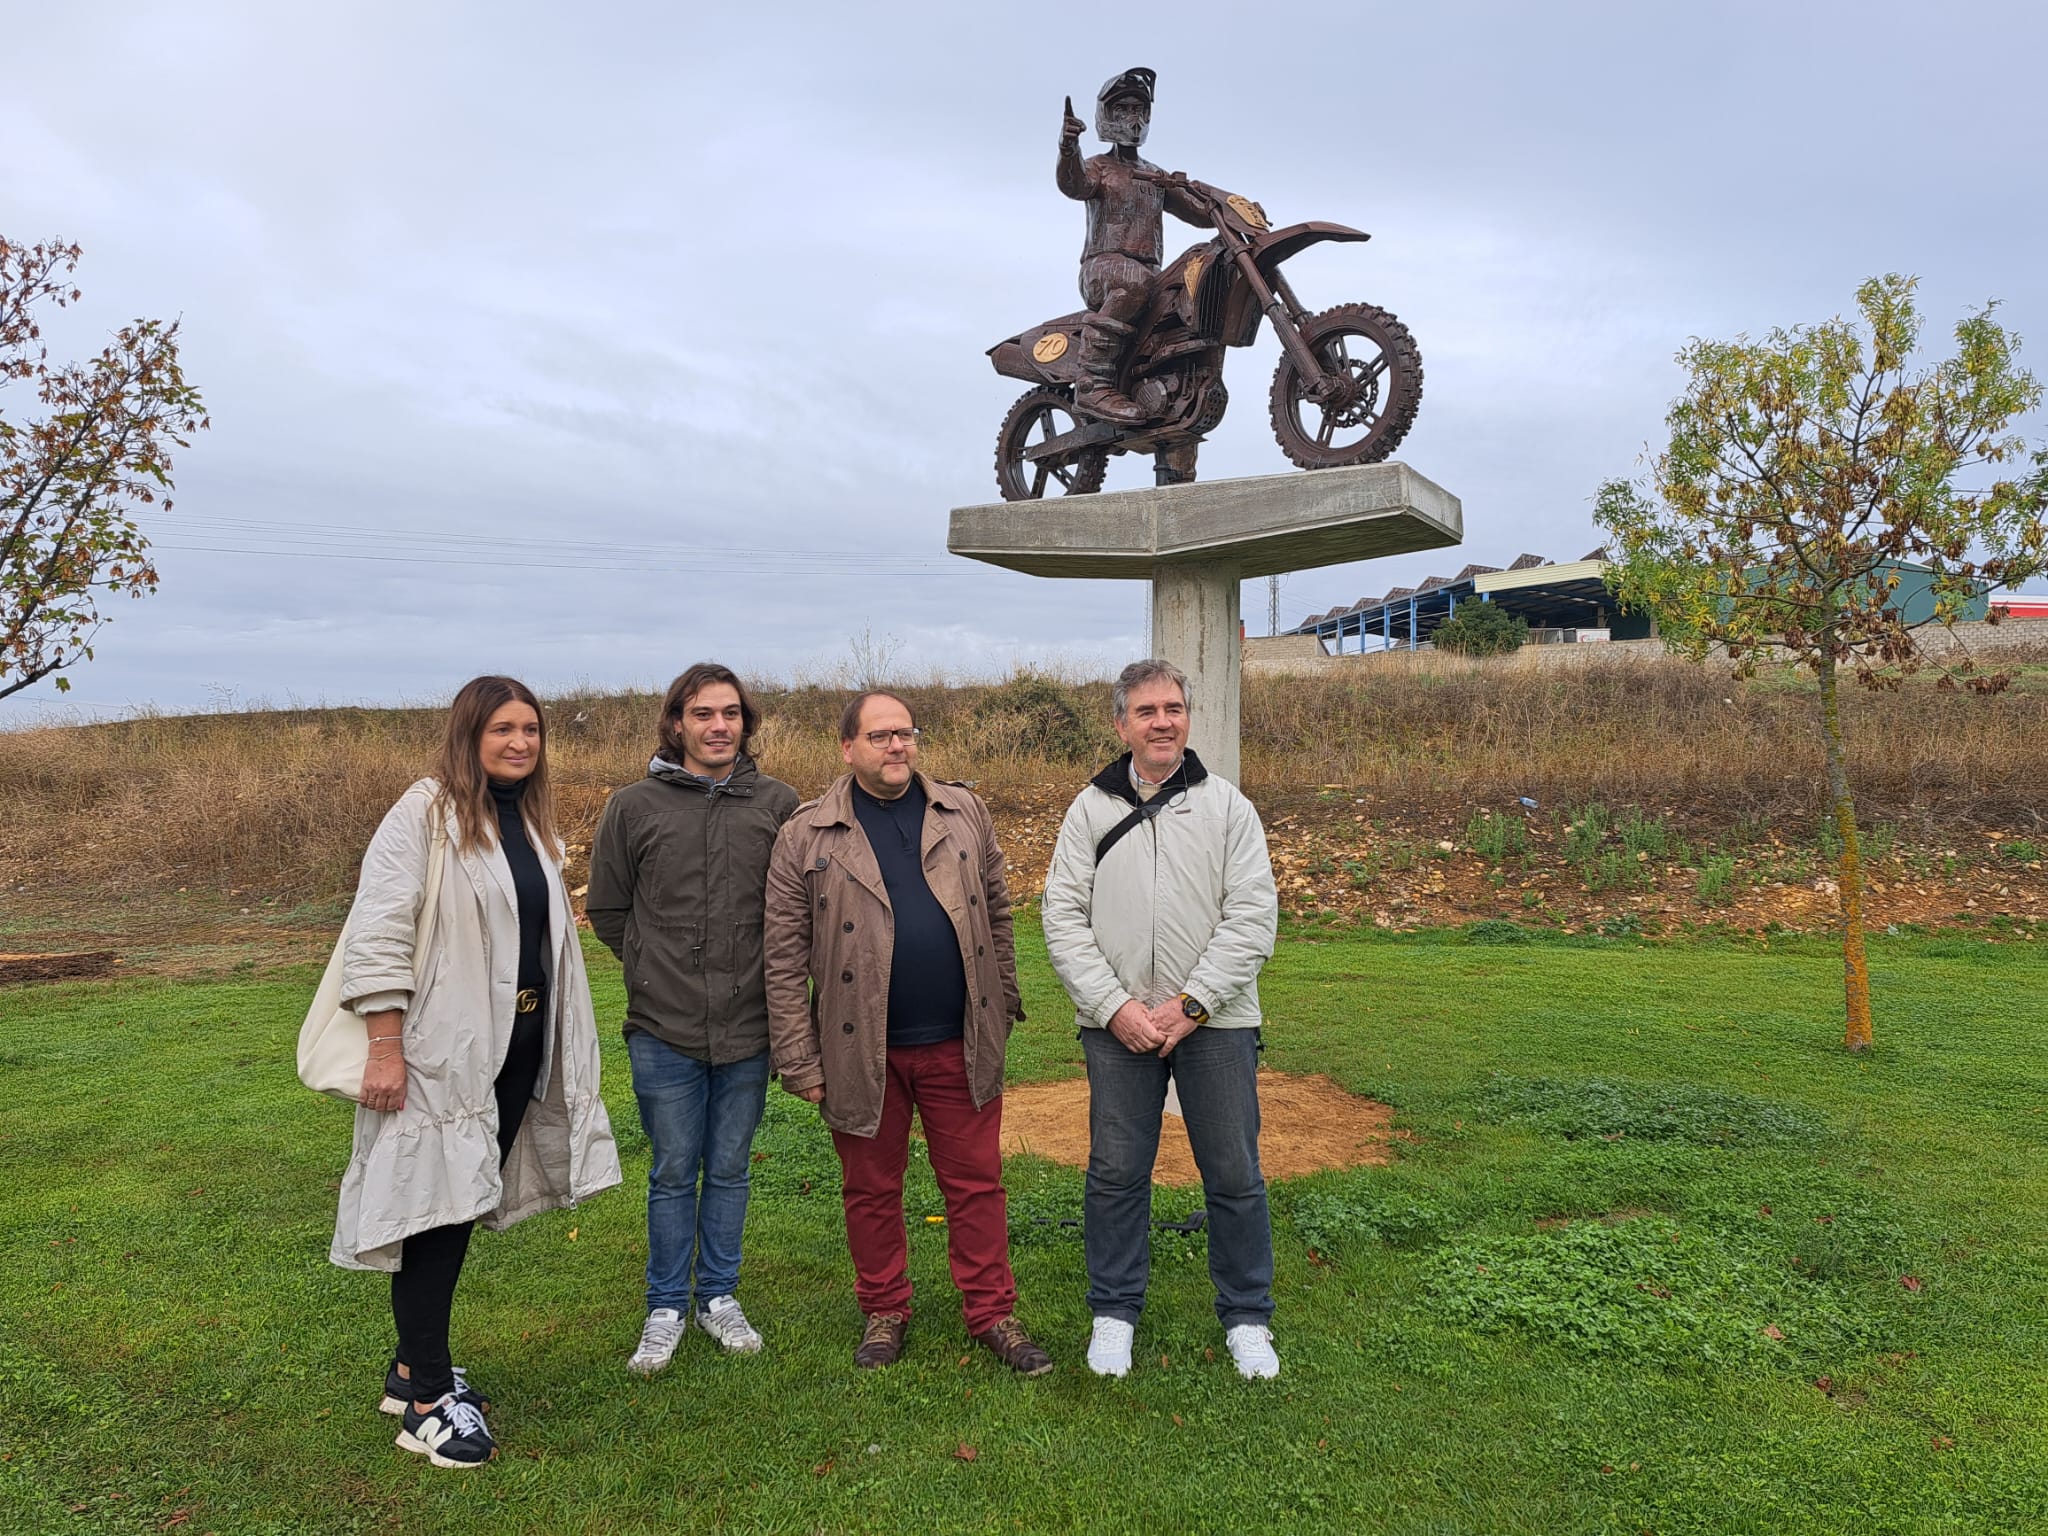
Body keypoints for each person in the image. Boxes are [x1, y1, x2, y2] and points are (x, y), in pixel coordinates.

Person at [333, 674, 621, 1469]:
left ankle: (407, 1369)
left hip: (512, 1049)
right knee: (434, 1216)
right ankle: (427, 1402)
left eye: (532, 729)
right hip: (440, 1055)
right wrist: (385, 1046)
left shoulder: (529, 823)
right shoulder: (426, 813)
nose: (521, 742)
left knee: (454, 1210)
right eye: (503, 728)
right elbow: (379, 932)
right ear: (469, 734)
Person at [764, 690, 1051, 1375]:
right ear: (847, 748)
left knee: (977, 1184)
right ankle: (884, 1309)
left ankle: (992, 1312)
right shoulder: (805, 834)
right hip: (860, 1048)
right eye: (881, 736)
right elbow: (780, 957)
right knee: (870, 1188)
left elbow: (1000, 916)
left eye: (906, 734)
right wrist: (799, 1058)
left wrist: (1003, 1000)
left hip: (960, 1038)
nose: (898, 746)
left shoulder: (963, 812)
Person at [1040, 659, 1281, 1380]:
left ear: (1187, 717)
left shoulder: (1228, 808)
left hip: (1218, 1023)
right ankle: (1113, 1312)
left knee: (1233, 1171)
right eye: (1146, 711)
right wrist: (1114, 1007)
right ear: (1121, 725)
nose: (1162, 721)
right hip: (1117, 1028)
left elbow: (1253, 917)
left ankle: (1246, 1317)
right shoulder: (1089, 811)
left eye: (1173, 707)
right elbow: (1061, 916)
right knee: (1116, 1172)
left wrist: (1193, 1003)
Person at [586, 663, 799, 1374]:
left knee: (731, 1168)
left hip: (748, 1026)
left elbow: (797, 909)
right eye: (703, 714)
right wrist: (651, 967)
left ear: (746, 722)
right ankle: (666, 1306)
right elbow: (609, 911)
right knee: (675, 1170)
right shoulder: (634, 807)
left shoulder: (777, 804)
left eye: (731, 713)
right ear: (676, 722)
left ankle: (719, 1298)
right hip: (663, 1030)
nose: (718, 726)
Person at [1056, 66, 1212, 425]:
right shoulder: (1099, 167)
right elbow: (1073, 184)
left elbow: (1197, 212)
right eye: (1124, 109)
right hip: (1105, 268)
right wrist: (1068, 147)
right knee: (1134, 281)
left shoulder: (1155, 175)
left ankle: (1177, 403)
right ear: (1107, 114)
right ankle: (1092, 383)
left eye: (1139, 110)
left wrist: (1232, 206)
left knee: (1189, 305)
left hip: (1149, 276)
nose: (1133, 118)